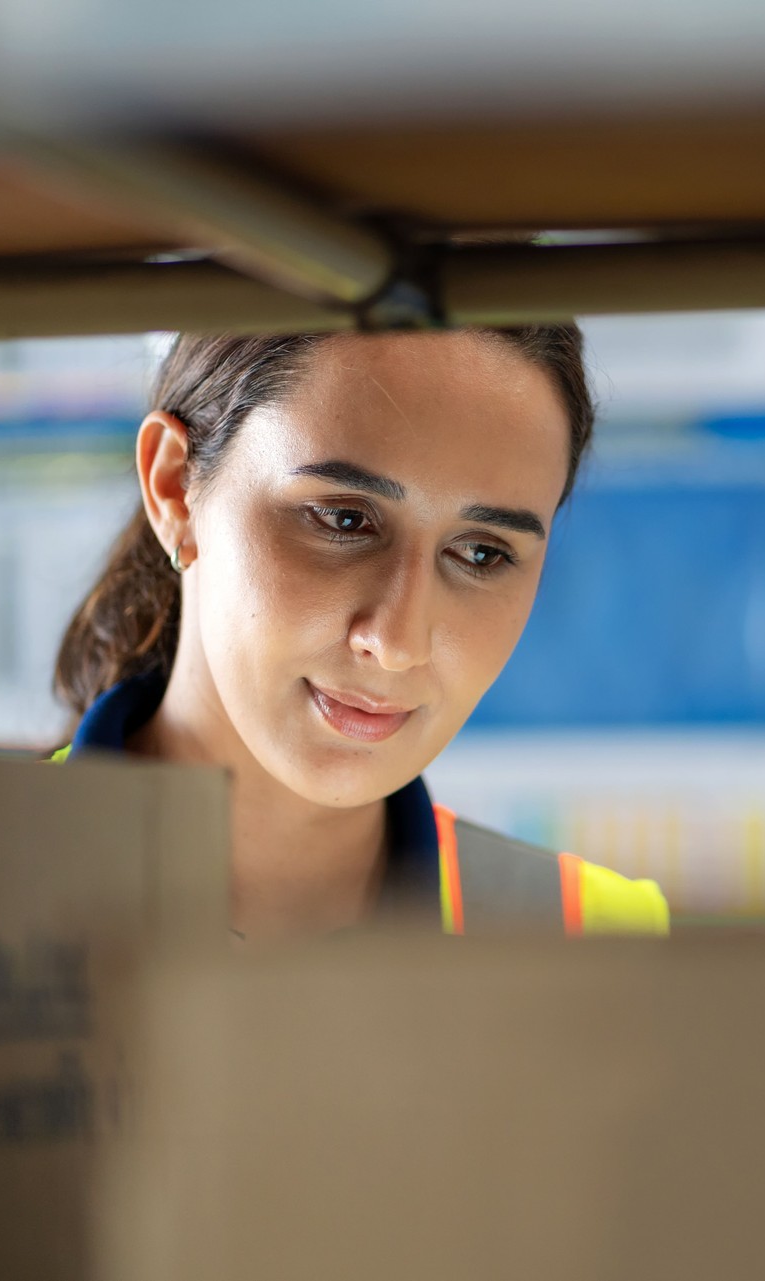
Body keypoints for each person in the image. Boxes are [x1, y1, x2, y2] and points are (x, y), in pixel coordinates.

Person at [50, 327, 667, 940]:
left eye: (482, 555)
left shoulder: (608, 948)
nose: (398, 643)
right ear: (175, 488)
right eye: (345, 520)